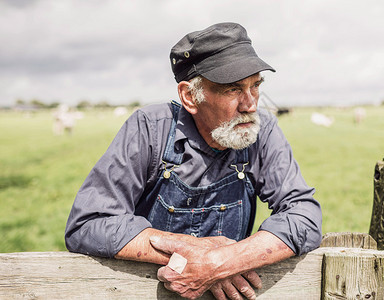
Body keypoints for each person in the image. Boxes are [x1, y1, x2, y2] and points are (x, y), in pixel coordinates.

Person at [65, 22, 322, 300]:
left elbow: (304, 216)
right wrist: (187, 250)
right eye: (233, 90)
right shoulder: (150, 130)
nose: (250, 105)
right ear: (190, 96)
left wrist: (222, 262)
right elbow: (88, 224)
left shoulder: (261, 131)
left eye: (255, 86)